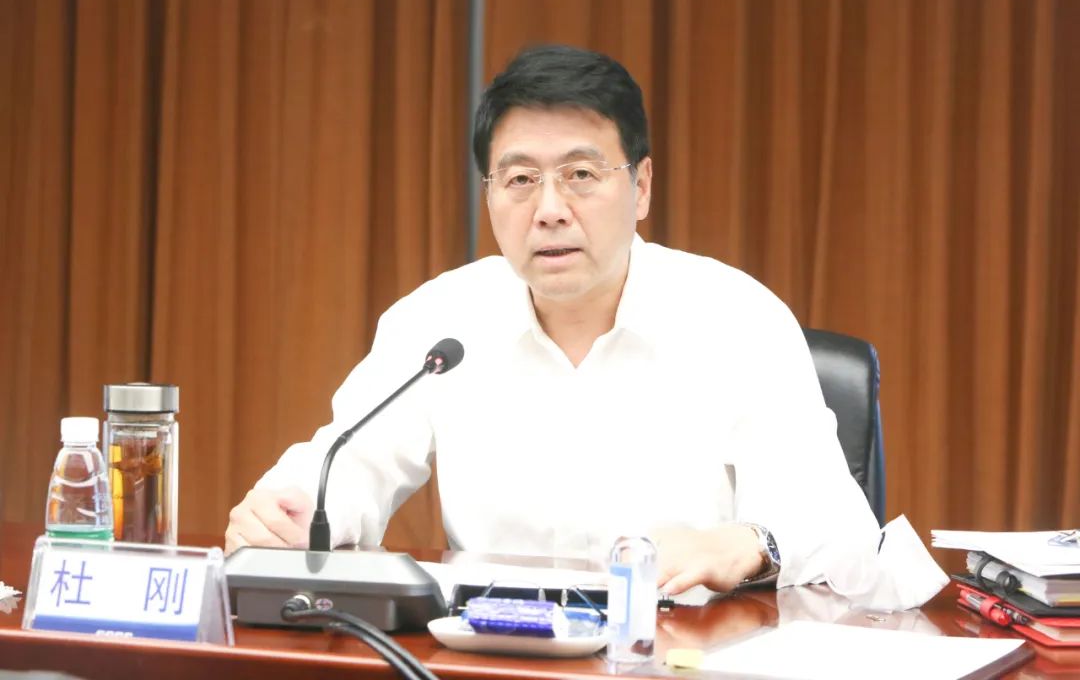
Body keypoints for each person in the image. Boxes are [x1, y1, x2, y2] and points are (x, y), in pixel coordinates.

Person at [225, 44, 880, 596]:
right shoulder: (439, 322)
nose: (549, 209)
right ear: (489, 195)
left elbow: (839, 529)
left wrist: (745, 544)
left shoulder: (738, 319)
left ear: (642, 187)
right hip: (493, 651)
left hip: (684, 650)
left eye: (581, 174)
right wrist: (291, 511)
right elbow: (351, 463)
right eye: (519, 180)